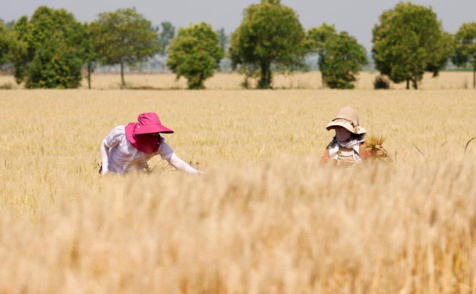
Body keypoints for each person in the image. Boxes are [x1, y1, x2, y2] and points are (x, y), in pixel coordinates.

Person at [100, 112, 201, 175]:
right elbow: (105, 144)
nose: (154, 136)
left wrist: (197, 173)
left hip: (131, 181)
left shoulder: (159, 145)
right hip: (109, 173)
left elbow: (176, 161)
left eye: (156, 133)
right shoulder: (121, 133)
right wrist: (105, 169)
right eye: (150, 133)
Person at [319, 106, 385, 166]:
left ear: (352, 130)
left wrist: (380, 154)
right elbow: (321, 167)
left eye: (342, 127)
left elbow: (385, 164)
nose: (339, 131)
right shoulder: (331, 147)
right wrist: (338, 163)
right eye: (337, 127)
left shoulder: (366, 145)